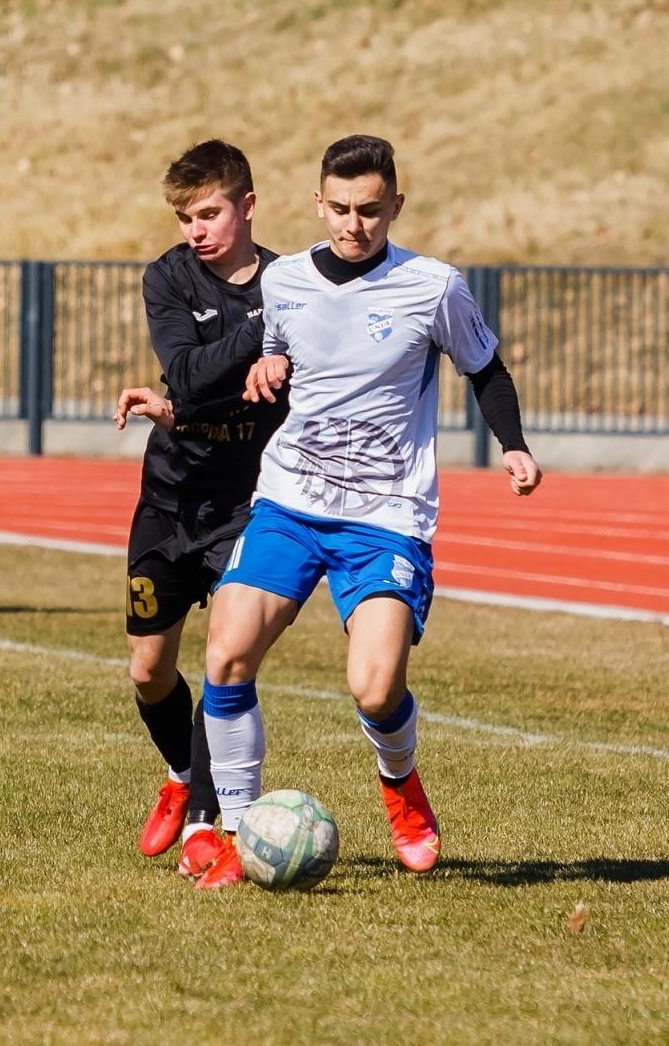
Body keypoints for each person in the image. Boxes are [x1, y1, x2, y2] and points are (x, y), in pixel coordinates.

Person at [192, 135, 543, 889]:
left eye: (371, 211)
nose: (355, 225)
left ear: (396, 207)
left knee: (376, 689)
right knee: (226, 654)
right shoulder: (284, 279)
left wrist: (512, 445)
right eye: (341, 209)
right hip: (291, 500)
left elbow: (486, 367)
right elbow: (281, 347)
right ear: (319, 203)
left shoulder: (434, 286)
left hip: (386, 515)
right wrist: (269, 362)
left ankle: (400, 783)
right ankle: (236, 834)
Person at [111, 140, 288, 878]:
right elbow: (185, 373)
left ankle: (208, 827)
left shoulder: (293, 282)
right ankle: (182, 775)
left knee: (226, 659)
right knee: (148, 670)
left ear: (247, 205)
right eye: (185, 217)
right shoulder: (168, 276)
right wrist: (262, 337)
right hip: (169, 496)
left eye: (209, 213)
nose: (196, 230)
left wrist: (276, 357)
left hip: (248, 504)